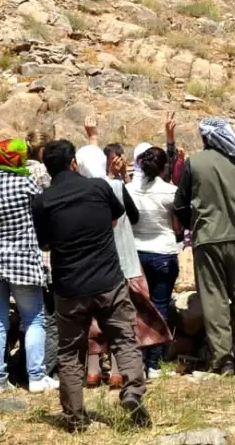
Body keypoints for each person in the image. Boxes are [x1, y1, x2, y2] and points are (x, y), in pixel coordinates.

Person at [33, 140, 148, 432]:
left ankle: (75, 417)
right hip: (108, 281)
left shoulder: (43, 201)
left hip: (69, 287)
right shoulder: (99, 188)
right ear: (74, 162)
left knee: (70, 352)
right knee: (124, 339)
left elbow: (44, 242)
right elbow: (115, 218)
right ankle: (132, 392)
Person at [174, 118, 235, 375]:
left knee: (214, 300)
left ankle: (223, 361)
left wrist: (195, 224)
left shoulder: (194, 163)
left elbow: (180, 205)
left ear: (205, 139)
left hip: (207, 239)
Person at [76, 143, 170, 389]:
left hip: (93, 265)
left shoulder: (79, 191)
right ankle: (118, 372)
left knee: (95, 318)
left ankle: (93, 371)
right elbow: (134, 216)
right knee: (123, 318)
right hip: (124, 262)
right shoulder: (116, 187)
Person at [0, 138, 53, 393]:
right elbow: (43, 209)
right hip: (22, 258)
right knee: (33, 319)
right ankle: (37, 377)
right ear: (17, 158)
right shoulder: (26, 183)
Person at [129, 141, 181, 379]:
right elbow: (178, 225)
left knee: (138, 307)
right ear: (163, 168)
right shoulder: (170, 191)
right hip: (164, 251)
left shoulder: (129, 189)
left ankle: (136, 360)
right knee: (160, 305)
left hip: (136, 252)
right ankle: (155, 364)